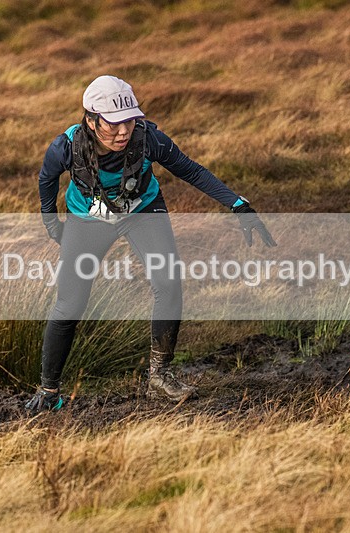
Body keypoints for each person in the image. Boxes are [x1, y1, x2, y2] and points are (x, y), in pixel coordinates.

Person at [26, 75, 276, 414]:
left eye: (129, 120)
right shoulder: (65, 148)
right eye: (113, 124)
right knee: (70, 303)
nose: (123, 131)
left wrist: (237, 204)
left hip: (143, 210)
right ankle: (49, 391)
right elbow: (46, 180)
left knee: (168, 283)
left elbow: (190, 170)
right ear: (90, 119)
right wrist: (49, 220)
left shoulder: (148, 139)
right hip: (86, 219)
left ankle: (160, 378)